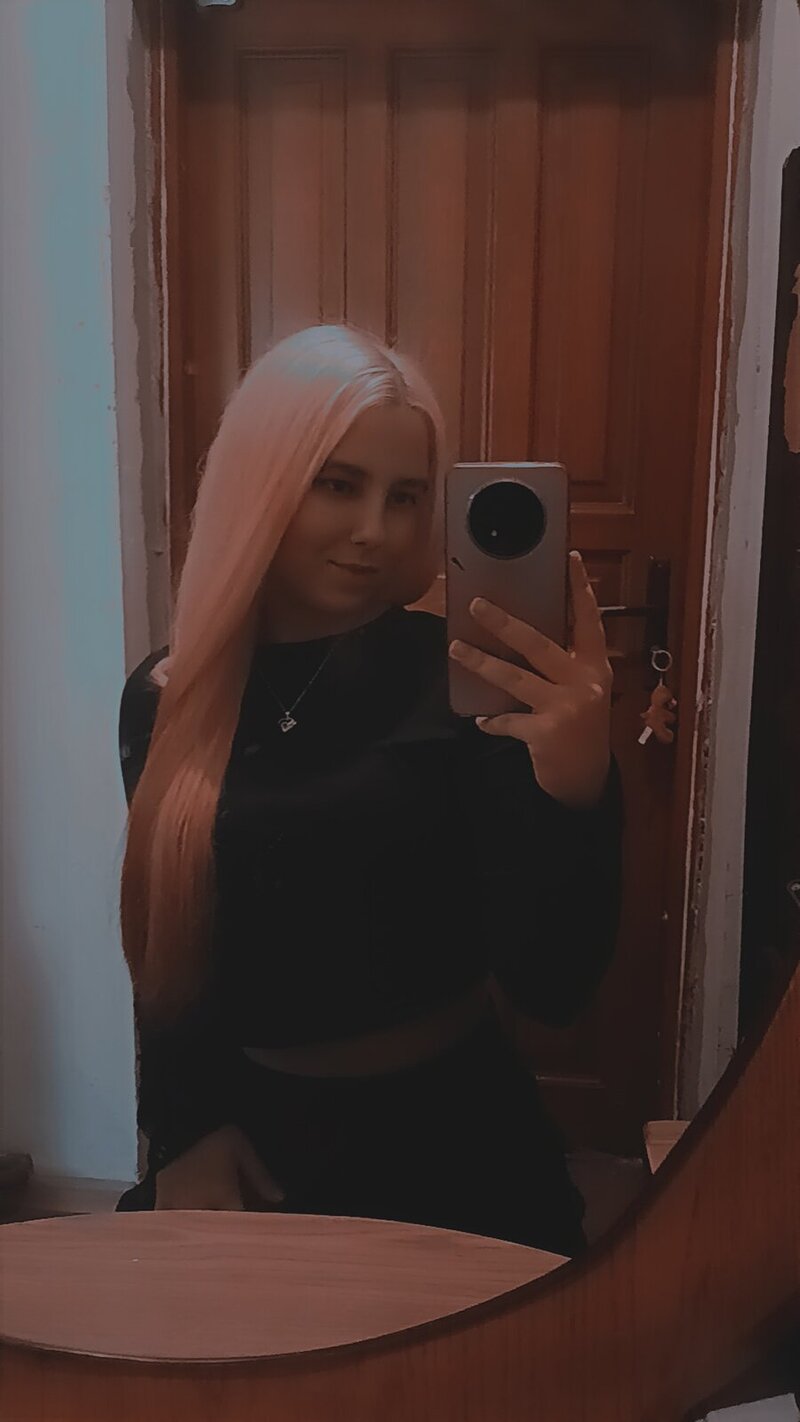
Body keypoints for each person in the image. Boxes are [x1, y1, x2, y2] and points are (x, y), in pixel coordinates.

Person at [115, 324, 623, 1257]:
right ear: (262, 481)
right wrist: (184, 1132)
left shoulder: (467, 683)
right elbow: (169, 947)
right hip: (253, 1149)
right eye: (338, 484)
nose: (376, 532)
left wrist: (577, 790)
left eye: (406, 496)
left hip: (455, 1144)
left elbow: (554, 985)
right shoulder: (167, 697)